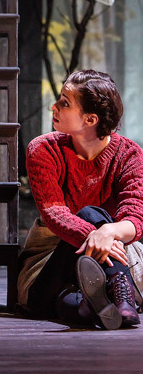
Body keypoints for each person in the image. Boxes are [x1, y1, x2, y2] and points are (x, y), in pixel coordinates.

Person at [19, 69, 143, 330]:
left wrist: (107, 232)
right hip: (51, 256)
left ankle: (90, 309)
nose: (54, 106)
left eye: (65, 103)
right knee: (89, 214)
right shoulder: (42, 149)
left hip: (111, 252)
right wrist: (96, 233)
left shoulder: (129, 154)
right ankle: (123, 299)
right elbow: (55, 213)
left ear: (90, 119)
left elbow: (136, 215)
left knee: (68, 300)